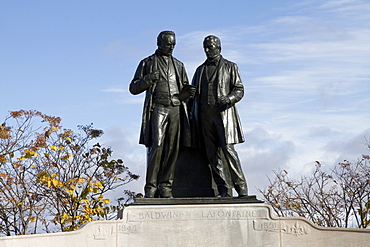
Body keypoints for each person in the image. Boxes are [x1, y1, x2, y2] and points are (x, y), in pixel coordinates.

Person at [129, 31, 195, 198]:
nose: (171, 47)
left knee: (172, 148)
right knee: (156, 146)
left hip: (175, 108)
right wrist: (149, 78)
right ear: (159, 43)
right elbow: (133, 88)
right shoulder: (147, 62)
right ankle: (151, 187)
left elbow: (185, 88)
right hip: (158, 107)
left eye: (173, 44)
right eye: (168, 44)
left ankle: (166, 186)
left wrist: (188, 93)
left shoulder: (179, 65)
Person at [190, 35, 248, 197]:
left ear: (219, 47)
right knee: (212, 154)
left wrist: (229, 98)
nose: (208, 50)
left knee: (229, 151)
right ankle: (223, 187)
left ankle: (241, 186)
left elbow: (239, 89)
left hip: (223, 115)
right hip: (204, 117)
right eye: (205, 47)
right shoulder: (200, 70)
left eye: (210, 47)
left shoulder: (230, 66)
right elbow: (192, 94)